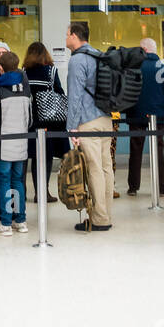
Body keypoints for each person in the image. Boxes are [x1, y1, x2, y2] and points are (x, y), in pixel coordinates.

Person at [65, 22, 114, 231]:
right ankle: (105, 214)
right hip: (106, 119)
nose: (65, 38)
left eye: (67, 35)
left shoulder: (77, 60)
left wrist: (72, 126)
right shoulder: (99, 55)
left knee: (94, 168)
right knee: (105, 167)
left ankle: (99, 218)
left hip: (88, 121)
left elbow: (75, 96)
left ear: (75, 36)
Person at [126, 37, 164, 196]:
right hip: (157, 115)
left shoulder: (133, 68)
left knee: (135, 150)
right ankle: (162, 187)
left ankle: (133, 187)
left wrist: (129, 110)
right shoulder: (162, 68)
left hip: (136, 114)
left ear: (144, 50)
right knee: (158, 150)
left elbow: (126, 92)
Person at [0, 50, 31, 235]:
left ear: (0, 68)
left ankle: (5, 223)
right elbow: (29, 120)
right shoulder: (25, 91)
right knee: (18, 181)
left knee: (4, 181)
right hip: (21, 142)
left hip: (3, 144)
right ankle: (20, 220)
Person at [22, 41, 63, 203]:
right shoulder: (51, 71)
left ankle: (23, 191)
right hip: (47, 118)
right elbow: (59, 91)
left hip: (28, 119)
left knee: (29, 155)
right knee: (45, 156)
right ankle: (42, 192)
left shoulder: (24, 71)